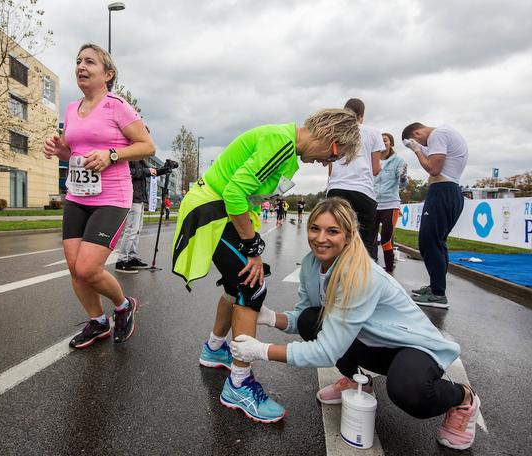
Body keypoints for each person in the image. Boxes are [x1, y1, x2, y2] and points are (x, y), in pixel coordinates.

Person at [230, 198, 481, 450]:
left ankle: (463, 397)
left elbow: (327, 352)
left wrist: (261, 351)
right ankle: (358, 381)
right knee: (310, 320)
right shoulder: (310, 264)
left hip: (412, 348)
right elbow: (305, 314)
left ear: (349, 236)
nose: (320, 238)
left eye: (333, 231)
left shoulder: (359, 275)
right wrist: (271, 317)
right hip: (372, 343)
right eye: (315, 228)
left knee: (409, 390)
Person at [172, 109, 361, 423]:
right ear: (330, 138)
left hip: (220, 210)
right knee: (252, 285)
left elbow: (248, 198)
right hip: (213, 211)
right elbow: (234, 193)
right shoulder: (280, 144)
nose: (325, 163)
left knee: (237, 285)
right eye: (332, 155)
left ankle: (215, 348)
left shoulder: (286, 150)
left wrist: (252, 237)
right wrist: (252, 246)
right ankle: (239, 384)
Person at [43, 43, 155, 348]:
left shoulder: (117, 105)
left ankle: (123, 306)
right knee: (73, 267)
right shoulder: (71, 108)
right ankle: (97, 322)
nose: (81, 66)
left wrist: (112, 154)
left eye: (89, 62)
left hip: (112, 197)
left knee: (87, 268)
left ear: (108, 73)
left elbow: (147, 146)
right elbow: (73, 150)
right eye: (78, 61)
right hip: (78, 195)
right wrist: (59, 150)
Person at [402, 123, 468, 308]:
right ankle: (436, 287)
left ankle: (438, 294)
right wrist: (419, 147)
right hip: (447, 190)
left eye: (417, 140)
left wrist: (416, 150)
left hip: (443, 191)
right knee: (437, 242)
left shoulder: (437, 135)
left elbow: (433, 168)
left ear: (417, 133)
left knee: (428, 241)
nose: (423, 144)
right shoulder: (445, 133)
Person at [326, 98, 383, 259]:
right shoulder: (373, 132)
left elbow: (330, 168)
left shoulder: (334, 132)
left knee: (334, 238)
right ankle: (366, 279)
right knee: (366, 241)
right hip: (362, 190)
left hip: (336, 188)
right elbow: (376, 169)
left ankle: (334, 278)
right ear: (362, 115)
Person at [372, 133, 407, 273]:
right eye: (380, 141)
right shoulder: (373, 159)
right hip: (373, 203)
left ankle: (389, 269)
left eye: (385, 140)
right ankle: (369, 265)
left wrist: (403, 178)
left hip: (390, 204)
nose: (382, 143)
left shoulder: (398, 160)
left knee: (386, 238)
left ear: (391, 143)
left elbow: (402, 185)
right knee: (370, 237)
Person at [116, 160, 157, 273]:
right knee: (131, 230)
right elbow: (129, 172)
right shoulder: (129, 157)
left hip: (140, 199)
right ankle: (121, 260)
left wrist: (164, 169)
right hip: (132, 198)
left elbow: (150, 171)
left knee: (137, 230)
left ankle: (131, 257)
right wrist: (147, 171)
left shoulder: (140, 160)